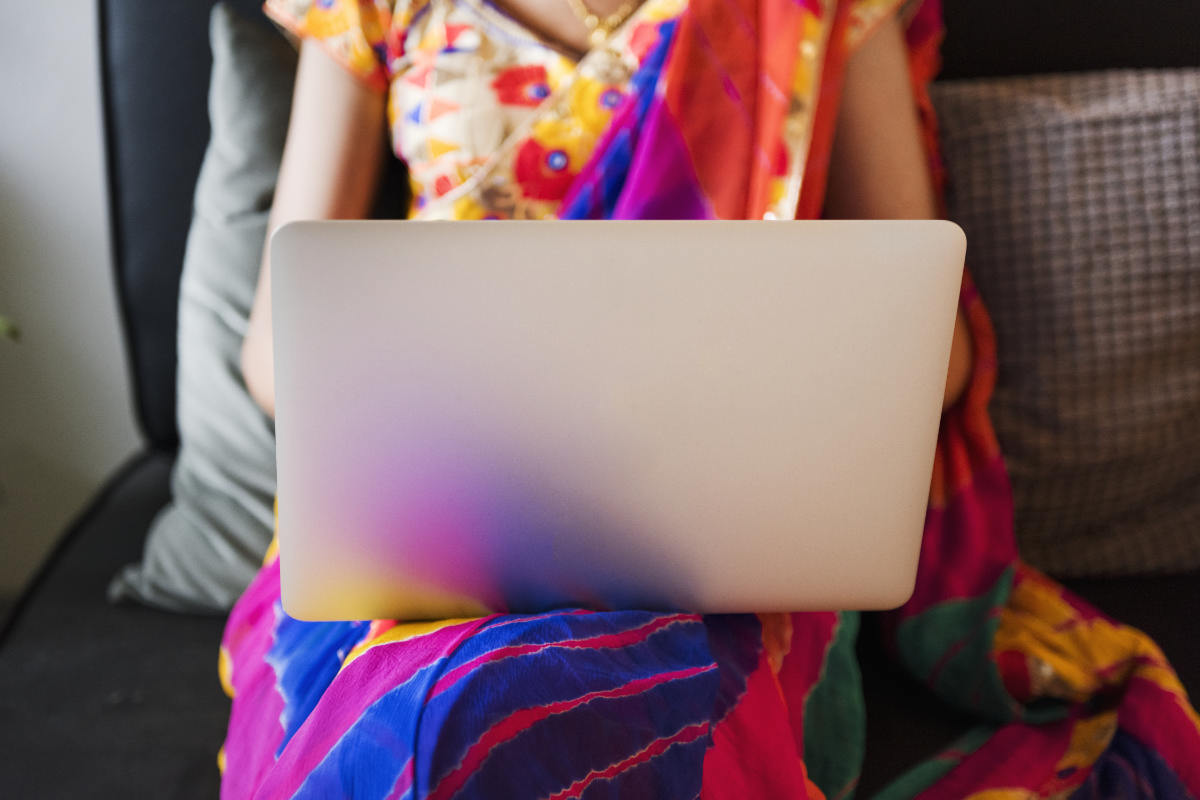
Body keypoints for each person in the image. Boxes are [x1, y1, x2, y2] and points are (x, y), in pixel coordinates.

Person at [219, 0, 1200, 797]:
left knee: (534, 713)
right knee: (450, 708)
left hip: (726, 530)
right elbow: (276, 353)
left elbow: (931, 348)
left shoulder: (814, 11)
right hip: (433, 510)